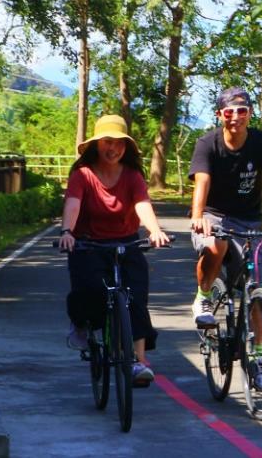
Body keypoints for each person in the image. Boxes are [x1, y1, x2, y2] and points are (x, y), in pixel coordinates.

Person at [189, 87, 262, 392]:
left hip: (249, 219)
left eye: (242, 111)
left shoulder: (261, 142)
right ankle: (203, 298)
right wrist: (198, 214)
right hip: (213, 215)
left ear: (250, 114)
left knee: (257, 290)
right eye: (229, 112)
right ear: (220, 115)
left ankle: (256, 358)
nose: (236, 117)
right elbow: (202, 180)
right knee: (217, 245)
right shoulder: (208, 144)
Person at [60, 114, 170, 385]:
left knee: (137, 297)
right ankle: (83, 324)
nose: (113, 148)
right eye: (108, 142)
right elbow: (73, 204)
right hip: (88, 243)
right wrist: (67, 232)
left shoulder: (132, 176)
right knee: (89, 288)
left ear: (126, 148)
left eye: (119, 143)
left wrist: (154, 229)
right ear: (97, 144)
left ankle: (139, 362)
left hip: (126, 241)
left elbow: (142, 204)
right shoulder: (82, 175)